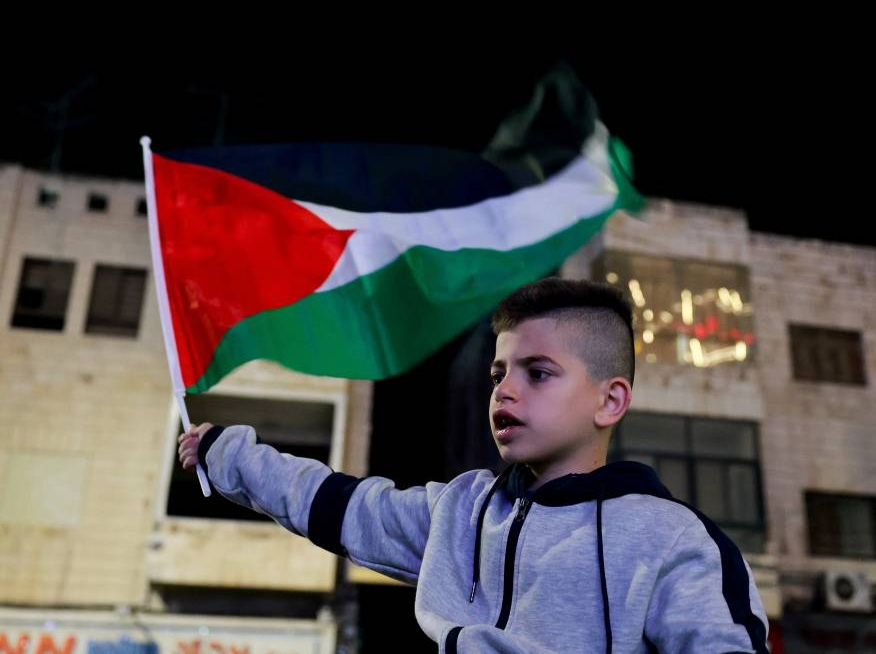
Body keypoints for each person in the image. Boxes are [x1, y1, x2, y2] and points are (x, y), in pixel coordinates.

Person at [178, 277, 768, 653]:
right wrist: (225, 452)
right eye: (497, 373)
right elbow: (339, 504)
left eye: (538, 373)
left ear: (610, 400)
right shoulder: (461, 512)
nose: (504, 390)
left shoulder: (671, 539)